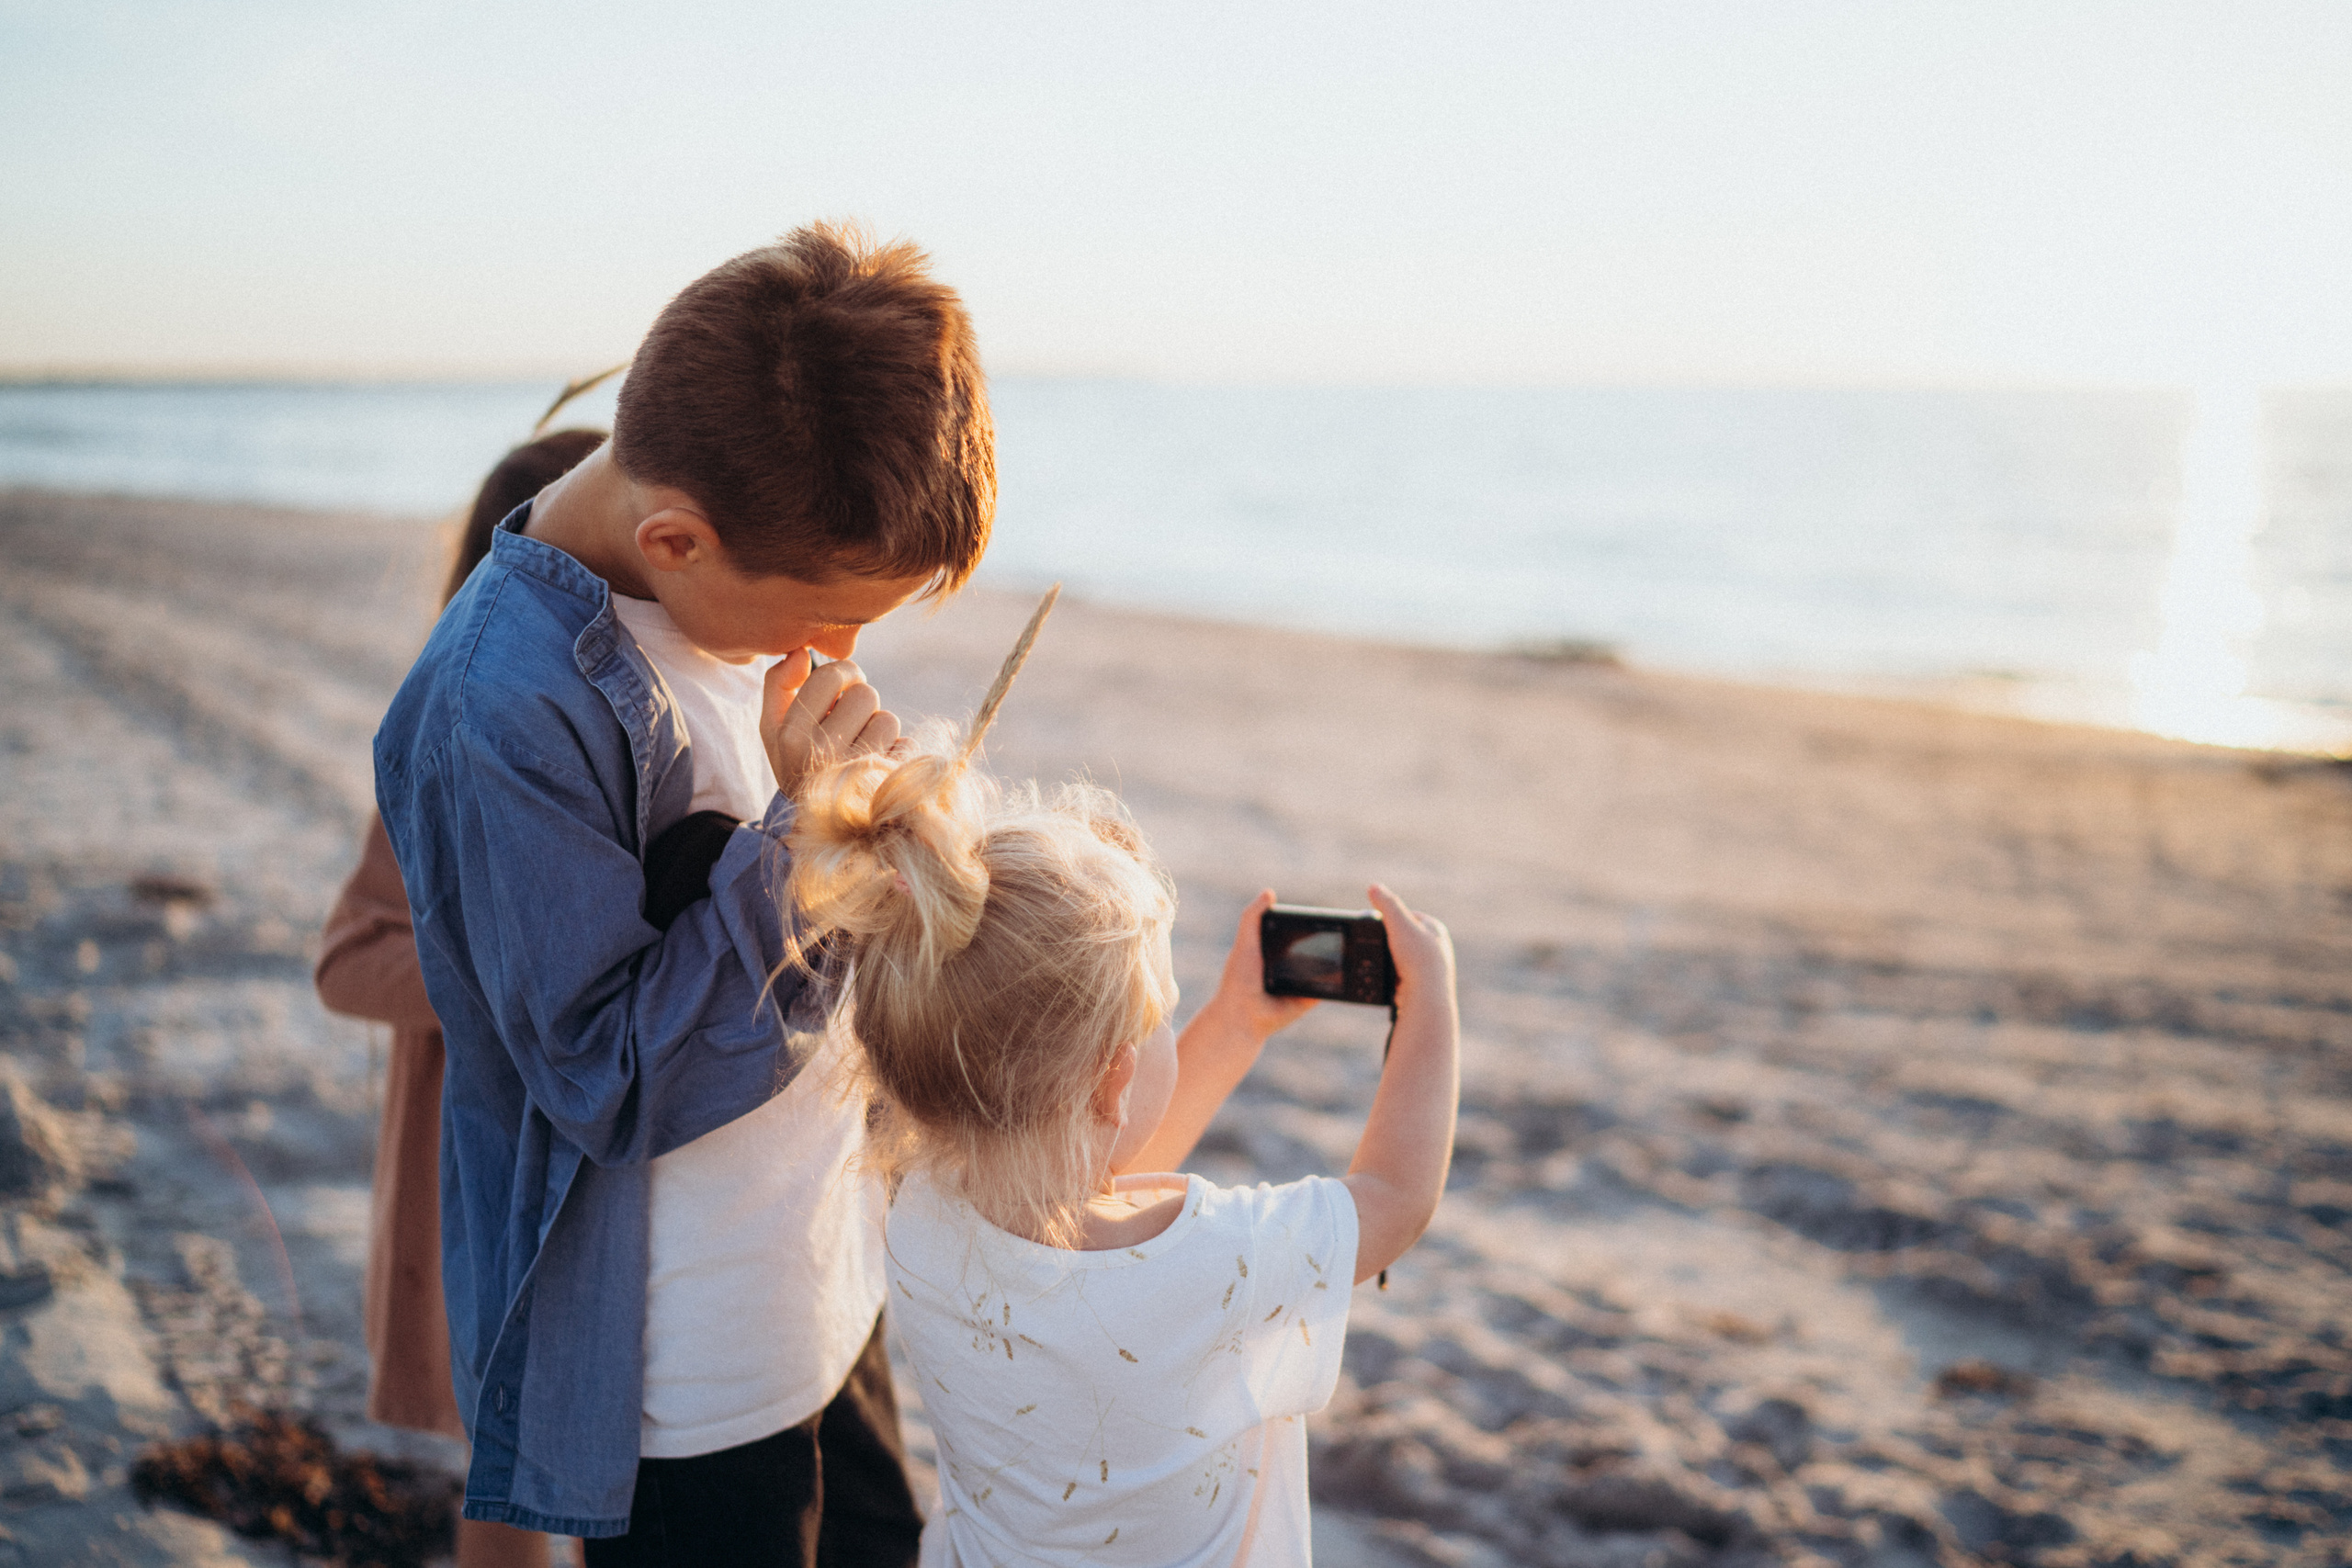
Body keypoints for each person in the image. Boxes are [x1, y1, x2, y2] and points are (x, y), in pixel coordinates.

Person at [370, 223, 995, 1560]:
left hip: (822, 1289)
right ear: (676, 539)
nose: (840, 650)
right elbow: (607, 1077)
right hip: (683, 1390)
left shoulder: (713, 585)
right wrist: (802, 844)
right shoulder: (500, 712)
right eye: (823, 617)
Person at [783, 726, 1461, 1566]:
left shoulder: (919, 1210)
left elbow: (1089, 1172)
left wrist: (1236, 1020)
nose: (1174, 1018)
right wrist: (1432, 1001)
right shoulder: (1215, 1261)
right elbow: (1397, 1194)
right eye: (1166, 1010)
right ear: (1114, 1080)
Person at [317, 426, 606, 1568]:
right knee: (513, 1462)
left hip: (599, 1169)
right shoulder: (443, 748)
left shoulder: (627, 743)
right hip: (486, 1180)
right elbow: (346, 959)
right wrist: (494, 975)